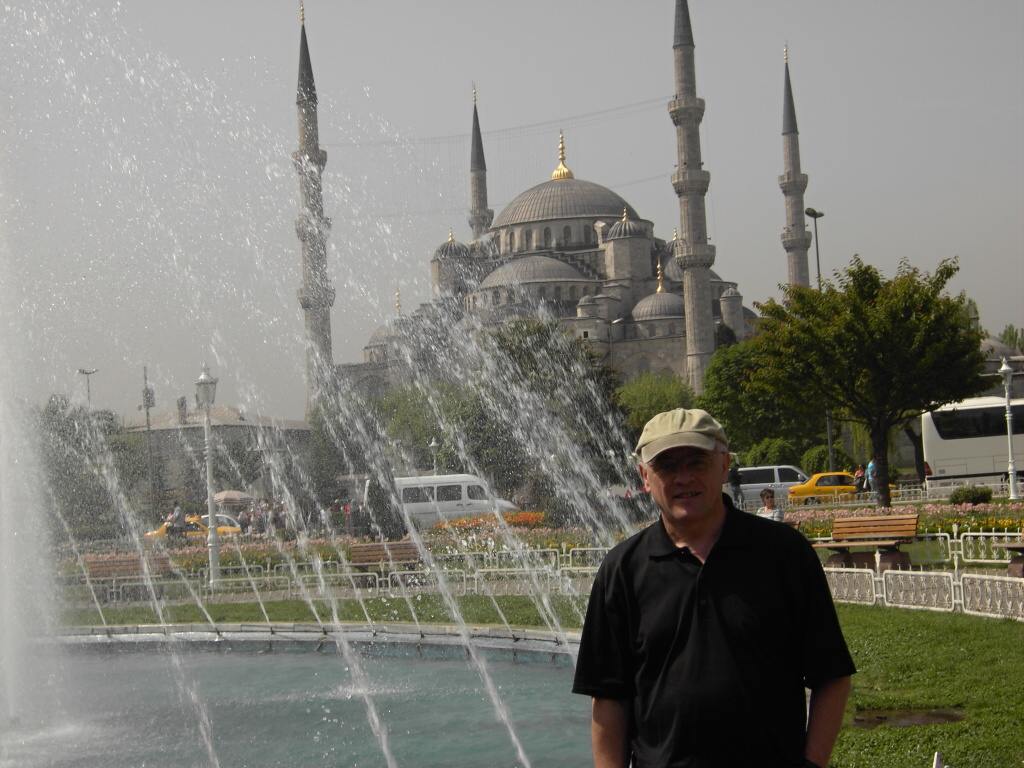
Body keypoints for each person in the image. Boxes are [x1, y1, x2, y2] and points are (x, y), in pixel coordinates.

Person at [573, 408, 855, 768]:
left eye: (697, 462)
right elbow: (608, 697)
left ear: (724, 466)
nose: (683, 477)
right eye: (666, 466)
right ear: (645, 477)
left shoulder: (783, 554)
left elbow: (831, 675)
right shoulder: (622, 570)